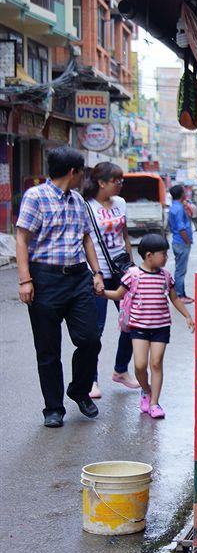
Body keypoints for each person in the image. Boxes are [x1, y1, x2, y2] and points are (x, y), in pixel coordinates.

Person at [15, 147, 104, 427]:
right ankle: (53, 408)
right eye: (82, 172)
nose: (82, 178)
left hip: (79, 278)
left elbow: (87, 238)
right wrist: (25, 279)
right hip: (45, 279)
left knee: (90, 339)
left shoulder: (79, 200)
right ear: (72, 172)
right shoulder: (35, 197)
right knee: (48, 349)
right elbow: (22, 239)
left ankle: (79, 390)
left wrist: (97, 273)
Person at [103, 233, 194, 420]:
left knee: (156, 363)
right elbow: (119, 294)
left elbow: (174, 298)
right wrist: (102, 293)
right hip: (138, 328)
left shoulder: (166, 277)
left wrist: (187, 315)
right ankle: (146, 390)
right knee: (140, 365)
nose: (166, 258)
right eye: (163, 254)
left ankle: (154, 403)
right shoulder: (133, 275)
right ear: (149, 255)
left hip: (161, 327)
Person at [82, 162, 139, 397]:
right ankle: (91, 380)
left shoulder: (121, 204)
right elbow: (85, 242)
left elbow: (125, 235)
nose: (120, 185)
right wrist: (94, 273)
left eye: (121, 180)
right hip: (98, 274)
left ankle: (120, 370)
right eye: (116, 181)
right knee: (95, 330)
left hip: (122, 271)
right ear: (101, 183)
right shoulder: (87, 207)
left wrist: (133, 266)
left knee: (132, 321)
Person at [168, 185, 195, 303]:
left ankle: (182, 293)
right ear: (181, 194)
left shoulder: (175, 207)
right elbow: (181, 228)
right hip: (181, 242)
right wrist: (187, 241)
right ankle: (179, 295)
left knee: (181, 269)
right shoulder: (178, 208)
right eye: (184, 192)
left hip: (178, 241)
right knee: (180, 270)